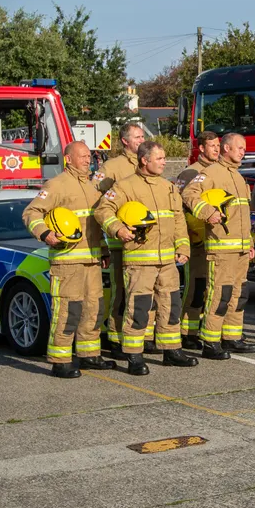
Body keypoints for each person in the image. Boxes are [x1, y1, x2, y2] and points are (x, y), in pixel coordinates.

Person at [92, 140, 196, 376]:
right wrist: (118, 229)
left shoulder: (168, 187)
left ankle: (172, 350)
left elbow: (178, 220)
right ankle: (134, 356)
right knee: (138, 309)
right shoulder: (125, 187)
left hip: (168, 262)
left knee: (171, 305)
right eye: (159, 159)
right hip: (139, 261)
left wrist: (183, 247)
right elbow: (102, 210)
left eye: (164, 158)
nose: (164, 162)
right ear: (144, 160)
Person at [22, 141, 115, 378]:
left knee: (94, 309)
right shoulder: (56, 185)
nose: (88, 160)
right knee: (68, 311)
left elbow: (94, 225)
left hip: (92, 261)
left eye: (89, 156)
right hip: (67, 262)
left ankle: (89, 354)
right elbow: (31, 213)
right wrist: (45, 233)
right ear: (68, 159)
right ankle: (60, 360)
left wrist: (104, 250)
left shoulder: (93, 186)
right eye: (82, 156)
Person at [182, 133, 255, 360]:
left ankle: (232, 337)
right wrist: (207, 212)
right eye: (239, 147)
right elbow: (188, 194)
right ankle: (210, 340)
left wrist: (251, 243)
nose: (243, 151)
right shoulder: (211, 173)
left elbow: (244, 216)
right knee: (220, 295)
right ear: (226, 148)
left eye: (244, 148)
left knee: (239, 294)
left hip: (242, 249)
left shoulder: (239, 177)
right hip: (222, 249)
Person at [93, 122, 148, 358]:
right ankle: (115, 339)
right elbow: (97, 203)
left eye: (143, 135)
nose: (141, 139)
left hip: (146, 241)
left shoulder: (148, 162)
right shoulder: (112, 167)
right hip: (119, 242)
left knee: (142, 292)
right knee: (121, 292)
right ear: (125, 141)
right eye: (137, 137)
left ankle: (141, 337)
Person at [174, 130, 221, 349]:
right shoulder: (190, 173)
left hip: (218, 239)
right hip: (197, 240)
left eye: (218, 145)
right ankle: (187, 331)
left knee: (215, 287)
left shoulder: (220, 171)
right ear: (201, 148)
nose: (217, 149)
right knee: (197, 285)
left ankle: (208, 328)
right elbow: (179, 206)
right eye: (212, 146)